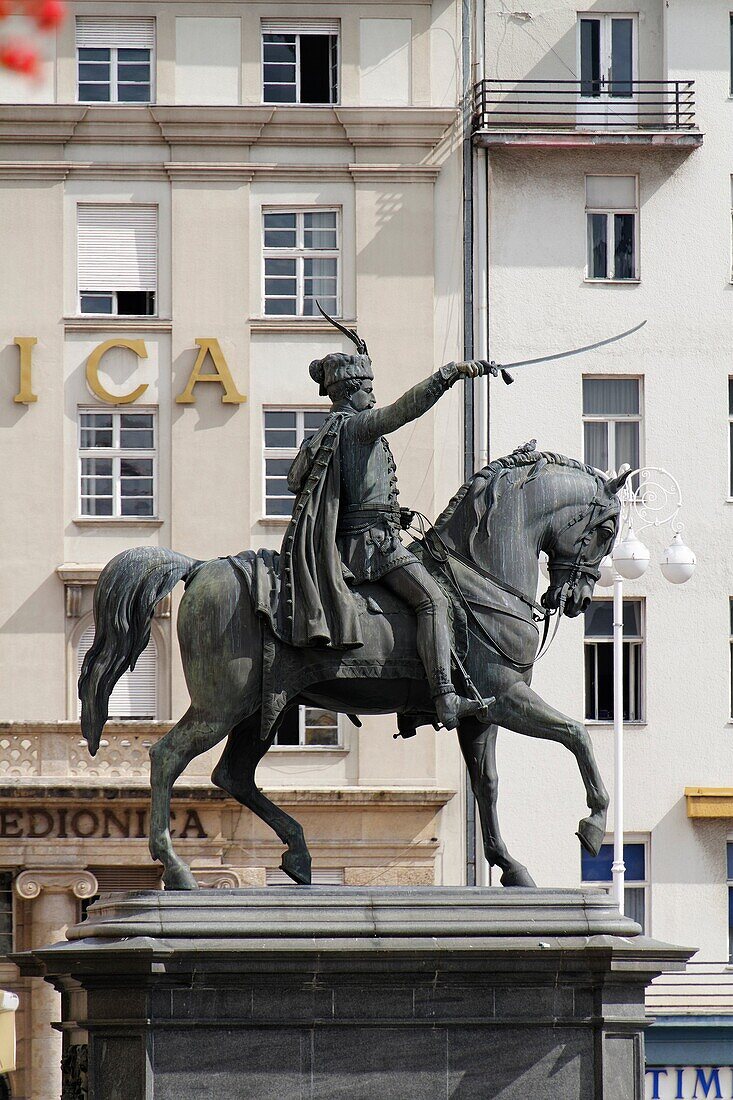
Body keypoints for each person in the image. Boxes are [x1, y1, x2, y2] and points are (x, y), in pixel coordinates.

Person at [278, 312, 494, 731]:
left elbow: (305, 482)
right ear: (353, 391)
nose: (374, 399)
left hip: (367, 535)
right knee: (434, 600)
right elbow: (404, 410)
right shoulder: (356, 427)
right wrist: (450, 373)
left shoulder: (322, 434)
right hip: (373, 549)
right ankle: (445, 699)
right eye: (369, 390)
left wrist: (394, 513)